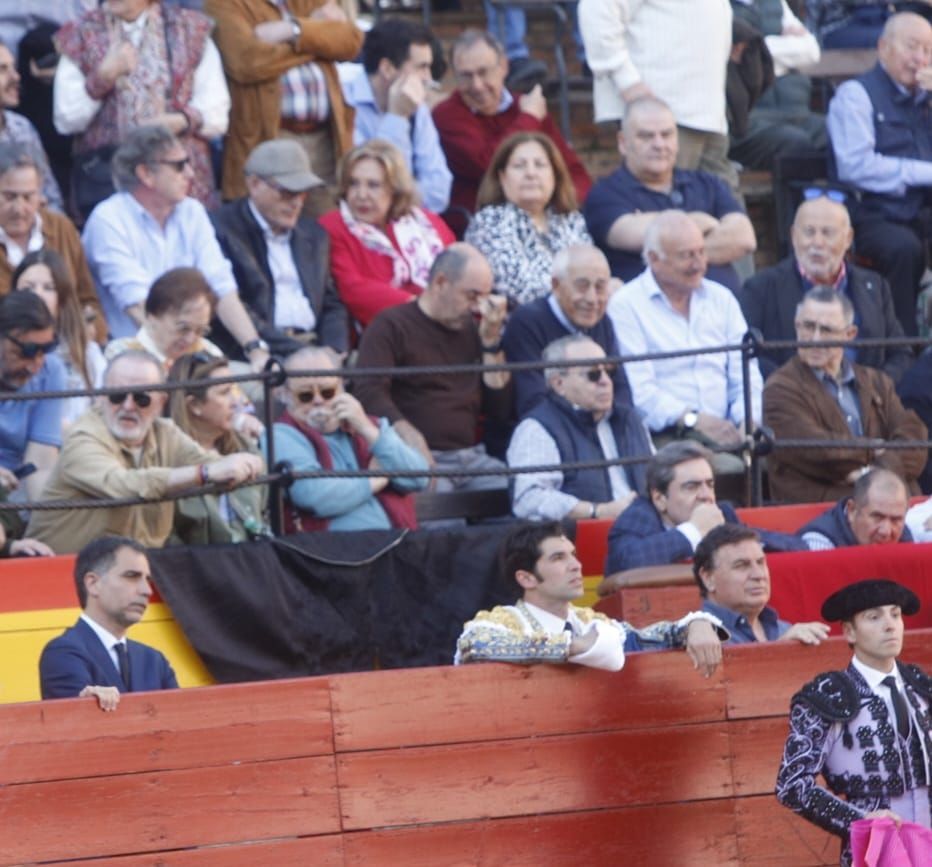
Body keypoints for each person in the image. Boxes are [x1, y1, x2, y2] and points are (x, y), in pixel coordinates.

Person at [26, 350, 263, 553]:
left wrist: (246, 461)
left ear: (161, 402)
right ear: (101, 396)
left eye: (142, 398)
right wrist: (204, 473)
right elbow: (123, 486)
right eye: (117, 395)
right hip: (55, 578)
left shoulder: (166, 433)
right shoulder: (83, 437)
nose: (128, 406)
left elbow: (215, 464)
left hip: (131, 576)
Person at [81, 126, 268, 371]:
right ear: (146, 173)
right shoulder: (108, 219)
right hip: (129, 361)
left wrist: (255, 350)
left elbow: (221, 286)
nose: (190, 173)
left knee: (264, 387)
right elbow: (139, 305)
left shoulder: (192, 211)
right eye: (179, 166)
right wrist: (188, 367)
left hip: (191, 355)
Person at [775, 578, 932, 866]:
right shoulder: (827, 696)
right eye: (874, 617)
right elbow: (792, 784)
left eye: (895, 614)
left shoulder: (923, 688)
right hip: (876, 853)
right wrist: (858, 820)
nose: (890, 625)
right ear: (849, 631)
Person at [455, 521, 727, 675]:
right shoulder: (503, 622)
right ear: (526, 578)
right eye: (558, 558)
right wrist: (572, 647)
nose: (576, 565)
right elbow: (473, 646)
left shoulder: (590, 622)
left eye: (573, 554)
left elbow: (651, 636)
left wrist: (697, 624)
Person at [608, 210, 763, 473]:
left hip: (728, 428)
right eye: (686, 255)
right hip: (668, 433)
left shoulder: (721, 299)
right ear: (654, 260)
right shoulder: (626, 305)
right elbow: (639, 392)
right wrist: (692, 419)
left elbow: (746, 372)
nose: (698, 263)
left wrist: (747, 419)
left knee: (786, 459)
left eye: (701, 252)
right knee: (729, 471)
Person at [354, 243, 511, 491]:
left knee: (520, 501)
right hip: (420, 458)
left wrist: (491, 343)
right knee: (443, 521)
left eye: (485, 297)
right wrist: (408, 434)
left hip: (473, 458)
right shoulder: (391, 325)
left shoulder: (474, 329)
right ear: (440, 282)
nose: (478, 308)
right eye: (472, 296)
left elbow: (500, 409)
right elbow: (368, 391)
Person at [53, 0, 229, 213]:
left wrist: (180, 121)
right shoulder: (81, 33)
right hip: (109, 181)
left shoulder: (189, 29)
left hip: (182, 183)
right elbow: (66, 119)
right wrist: (102, 77)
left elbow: (216, 113)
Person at [763, 287, 926, 503]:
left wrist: (868, 473)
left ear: (849, 335)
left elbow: (914, 440)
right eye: (808, 327)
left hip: (895, 510)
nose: (815, 339)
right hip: (824, 515)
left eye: (827, 330)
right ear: (796, 326)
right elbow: (818, 453)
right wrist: (879, 450)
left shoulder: (876, 382)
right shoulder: (779, 388)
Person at [826, 12, 932, 336]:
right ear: (883, 47)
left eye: (929, 50)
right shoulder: (855, 95)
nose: (920, 59)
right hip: (873, 211)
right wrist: (925, 173)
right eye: (912, 47)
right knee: (903, 248)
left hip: (922, 209)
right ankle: (903, 344)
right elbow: (856, 166)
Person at [583, 97, 756, 292]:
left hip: (720, 314)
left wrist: (668, 253)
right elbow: (627, 233)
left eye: (666, 135)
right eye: (646, 136)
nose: (659, 144)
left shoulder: (709, 183)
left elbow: (744, 238)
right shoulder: (605, 194)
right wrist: (706, 224)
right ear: (623, 142)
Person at [204, 0, 363, 207]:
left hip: (325, 139)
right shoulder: (225, 4)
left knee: (325, 227)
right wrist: (316, 37)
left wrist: (293, 30)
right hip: (270, 137)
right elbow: (246, 61)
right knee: (271, 222)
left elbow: (351, 41)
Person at [739, 192, 910, 381]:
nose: (817, 243)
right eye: (809, 232)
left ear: (848, 238)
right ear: (794, 236)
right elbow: (750, 356)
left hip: (865, 402)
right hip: (795, 403)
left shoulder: (875, 287)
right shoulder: (761, 288)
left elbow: (900, 354)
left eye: (827, 233)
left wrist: (873, 390)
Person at [432, 30, 591, 227]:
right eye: (466, 76)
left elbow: (573, 170)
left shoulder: (524, 107)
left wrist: (564, 204)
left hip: (546, 219)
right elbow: (489, 163)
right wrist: (529, 118)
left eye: (483, 72)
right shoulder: (447, 115)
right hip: (485, 224)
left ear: (504, 67)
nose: (477, 85)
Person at [210, 138, 349, 360]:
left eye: (303, 193)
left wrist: (335, 349)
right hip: (259, 354)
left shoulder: (314, 233)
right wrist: (304, 355)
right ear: (254, 184)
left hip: (316, 347)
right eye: (287, 192)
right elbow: (235, 306)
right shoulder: (222, 230)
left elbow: (331, 303)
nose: (297, 202)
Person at [578, 0, 737, 190]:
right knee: (663, 208)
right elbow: (597, 10)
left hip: (709, 114)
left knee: (728, 211)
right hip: (659, 115)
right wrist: (627, 81)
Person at [266, 346, 428, 531]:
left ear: (341, 386)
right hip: (332, 553)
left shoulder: (372, 426)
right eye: (305, 396)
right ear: (286, 396)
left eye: (328, 392)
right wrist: (378, 478)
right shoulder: (281, 435)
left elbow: (419, 479)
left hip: (397, 543)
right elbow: (314, 496)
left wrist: (367, 429)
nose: (318, 401)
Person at [507, 335, 651, 521]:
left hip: (644, 528)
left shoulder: (631, 420)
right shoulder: (537, 428)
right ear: (559, 384)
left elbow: (661, 477)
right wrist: (597, 511)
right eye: (593, 374)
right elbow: (528, 498)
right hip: (583, 539)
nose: (605, 381)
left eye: (609, 371)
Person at [605, 441, 806, 574]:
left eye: (709, 485)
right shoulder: (640, 516)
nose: (706, 496)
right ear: (659, 499)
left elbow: (798, 547)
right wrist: (694, 531)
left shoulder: (721, 514)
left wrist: (747, 544)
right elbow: (624, 564)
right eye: (691, 487)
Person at [318, 139, 454, 331]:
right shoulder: (333, 226)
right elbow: (352, 289)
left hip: (444, 322)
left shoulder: (427, 223)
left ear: (395, 189)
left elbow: (457, 269)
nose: (361, 195)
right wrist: (423, 309)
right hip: (384, 331)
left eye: (373, 185)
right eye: (353, 184)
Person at [39, 536, 178, 710]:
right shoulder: (62, 653)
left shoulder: (155, 660)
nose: (147, 590)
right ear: (93, 584)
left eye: (147, 580)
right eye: (132, 576)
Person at [502, 243, 632, 417]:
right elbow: (533, 401)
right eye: (582, 286)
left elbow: (621, 390)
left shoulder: (602, 321)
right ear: (556, 285)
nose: (592, 299)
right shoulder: (527, 322)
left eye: (600, 287)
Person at [465, 131, 593, 305]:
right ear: (502, 177)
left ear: (555, 175)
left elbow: (592, 273)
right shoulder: (490, 222)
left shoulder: (571, 219)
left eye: (540, 165)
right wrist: (583, 293)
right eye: (519, 166)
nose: (531, 173)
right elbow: (522, 291)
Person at [343, 18, 451, 214]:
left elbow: (440, 191)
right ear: (387, 68)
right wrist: (397, 117)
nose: (428, 78)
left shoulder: (416, 107)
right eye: (421, 67)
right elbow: (373, 186)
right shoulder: (345, 103)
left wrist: (402, 194)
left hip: (410, 225)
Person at [0, 143, 104, 341]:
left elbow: (87, 299)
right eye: (9, 197)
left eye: (28, 197)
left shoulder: (61, 228)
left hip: (68, 348)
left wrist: (90, 327)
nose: (19, 208)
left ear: (41, 195)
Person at [167, 351, 268, 545]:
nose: (236, 402)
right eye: (224, 393)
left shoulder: (246, 447)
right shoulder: (166, 458)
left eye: (234, 390)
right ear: (194, 405)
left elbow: (263, 513)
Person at [727, 1, 826, 172]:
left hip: (798, 114)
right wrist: (787, 47)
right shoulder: (715, 6)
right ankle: (798, 200)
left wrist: (757, 50)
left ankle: (836, 198)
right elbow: (728, 52)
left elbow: (811, 51)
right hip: (748, 122)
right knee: (794, 143)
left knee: (839, 134)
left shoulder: (777, 3)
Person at [12, 249, 105, 429]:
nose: (37, 295)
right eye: (28, 287)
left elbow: (103, 412)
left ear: (62, 298)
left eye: (49, 288)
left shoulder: (88, 353)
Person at [694, 524, 831, 645]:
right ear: (708, 578)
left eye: (760, 563)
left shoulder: (785, 629)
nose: (758, 575)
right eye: (741, 566)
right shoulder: (697, 637)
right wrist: (782, 652)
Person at [0, 291, 65, 501]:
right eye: (26, 352)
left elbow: (42, 463)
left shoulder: (51, 371)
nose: (35, 365)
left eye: (44, 351)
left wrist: (45, 528)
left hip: (15, 487)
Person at [0, 40, 63, 211]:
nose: (16, 76)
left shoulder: (22, 128)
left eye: (13, 68)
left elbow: (50, 197)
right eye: (3, 69)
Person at [799, 467, 916, 550]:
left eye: (896, 520)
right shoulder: (819, 545)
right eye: (877, 517)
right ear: (851, 511)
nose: (885, 531)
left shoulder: (905, 536)